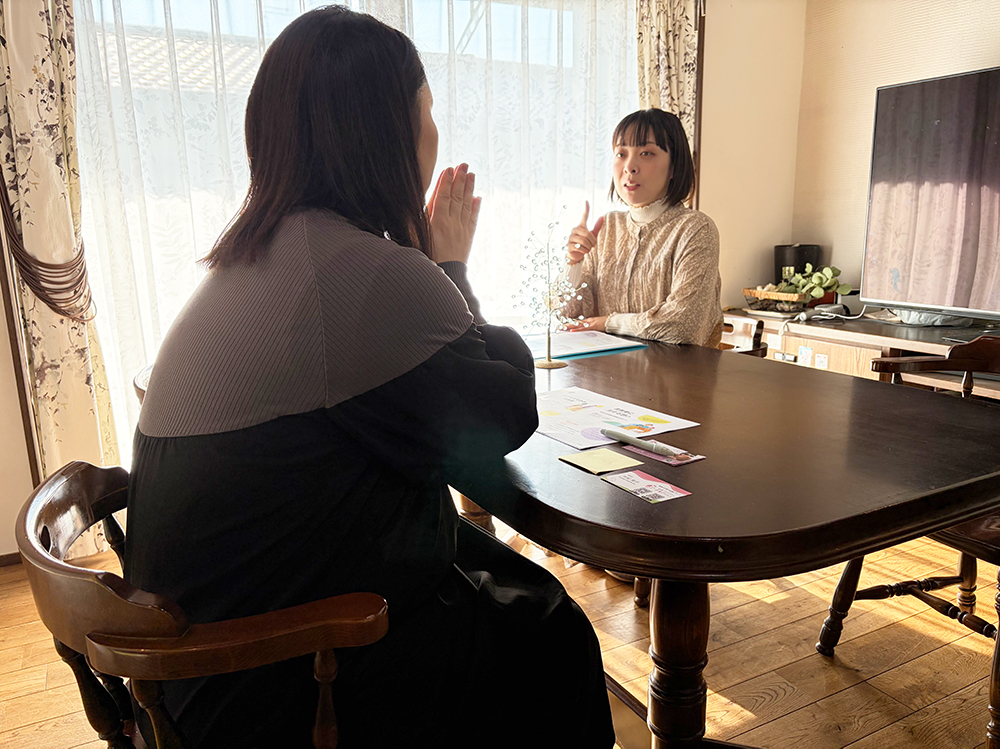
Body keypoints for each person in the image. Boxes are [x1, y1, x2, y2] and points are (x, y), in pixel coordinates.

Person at [123, 7, 614, 747]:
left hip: (194, 671)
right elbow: (504, 412)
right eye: (428, 112)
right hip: (274, 682)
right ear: (385, 133)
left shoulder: (263, 251)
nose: (435, 131)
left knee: (501, 579)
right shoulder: (355, 272)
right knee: (553, 633)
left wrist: (426, 262)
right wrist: (446, 265)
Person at [562, 108, 723, 346]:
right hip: (607, 367)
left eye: (646, 153)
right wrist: (573, 264)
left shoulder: (696, 229)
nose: (629, 166)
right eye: (621, 154)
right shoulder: (607, 227)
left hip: (677, 370)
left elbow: (683, 326)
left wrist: (608, 323)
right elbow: (569, 318)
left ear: (674, 166)